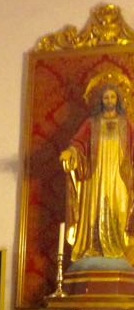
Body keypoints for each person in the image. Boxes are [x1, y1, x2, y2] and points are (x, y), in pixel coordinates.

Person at [61, 81, 134, 263]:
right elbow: (78, 142)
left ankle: (120, 250)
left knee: (120, 208)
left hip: (119, 175)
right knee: (95, 207)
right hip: (96, 175)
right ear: (101, 101)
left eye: (112, 96)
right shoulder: (91, 123)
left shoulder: (126, 124)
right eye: (106, 97)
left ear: (118, 99)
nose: (109, 100)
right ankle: (94, 247)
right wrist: (71, 152)